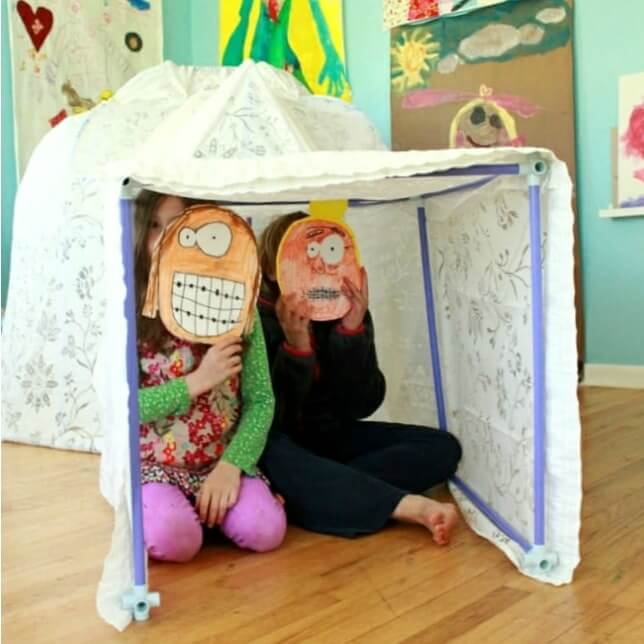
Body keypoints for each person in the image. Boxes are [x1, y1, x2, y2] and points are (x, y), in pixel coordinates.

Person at [257, 213, 462, 545]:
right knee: (274, 452)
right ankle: (401, 504)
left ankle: (315, 495)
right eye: (304, 258)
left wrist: (352, 332)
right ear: (271, 269)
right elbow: (272, 418)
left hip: (330, 440)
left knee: (442, 448)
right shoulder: (256, 318)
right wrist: (297, 347)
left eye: (331, 256)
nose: (320, 268)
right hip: (281, 443)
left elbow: (363, 404)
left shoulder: (343, 308)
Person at [134, 190, 286, 562]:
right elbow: (122, 408)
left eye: (179, 227)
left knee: (266, 531)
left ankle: (206, 510)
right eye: (155, 226)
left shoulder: (239, 309)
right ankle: (176, 514)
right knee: (176, 541)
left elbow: (261, 400)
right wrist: (197, 381)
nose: (166, 239)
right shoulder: (129, 311)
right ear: (139, 233)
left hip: (219, 462)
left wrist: (232, 466)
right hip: (154, 467)